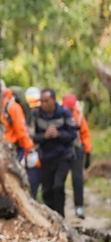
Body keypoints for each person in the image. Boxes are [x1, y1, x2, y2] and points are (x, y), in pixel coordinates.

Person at [30, 88, 78, 217]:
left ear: (54, 100)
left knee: (58, 186)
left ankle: (61, 217)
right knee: (47, 191)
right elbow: (32, 136)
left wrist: (58, 134)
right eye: (42, 101)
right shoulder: (36, 115)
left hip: (63, 156)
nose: (44, 104)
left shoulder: (64, 113)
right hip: (46, 157)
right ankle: (52, 217)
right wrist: (44, 136)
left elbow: (73, 134)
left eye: (47, 101)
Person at [0, 82, 37, 195]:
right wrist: (30, 149)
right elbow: (22, 131)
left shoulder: (9, 107)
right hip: (8, 149)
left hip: (11, 149)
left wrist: (29, 149)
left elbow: (21, 131)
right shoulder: (6, 106)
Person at [61, 93, 91, 219]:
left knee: (77, 179)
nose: (70, 110)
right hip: (61, 152)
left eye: (71, 108)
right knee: (59, 181)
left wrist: (88, 152)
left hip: (77, 150)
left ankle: (79, 207)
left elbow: (85, 134)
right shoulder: (58, 114)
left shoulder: (79, 115)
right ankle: (58, 209)